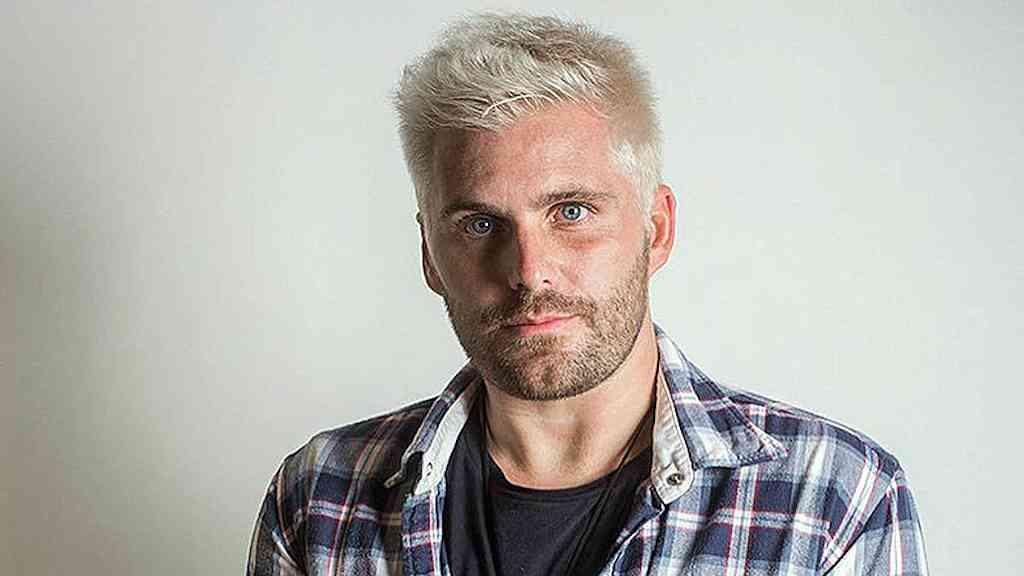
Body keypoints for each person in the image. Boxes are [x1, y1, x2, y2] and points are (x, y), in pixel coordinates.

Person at [247, 13, 927, 576]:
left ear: (656, 230)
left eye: (571, 212)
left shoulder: (832, 501)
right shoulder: (318, 500)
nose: (530, 270)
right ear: (430, 254)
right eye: (480, 224)